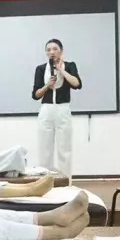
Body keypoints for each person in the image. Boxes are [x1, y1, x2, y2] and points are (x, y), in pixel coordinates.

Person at [32, 39, 82, 180]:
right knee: (44, 149)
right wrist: (47, 86)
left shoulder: (70, 66)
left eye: (55, 49)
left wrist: (61, 70)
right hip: (46, 110)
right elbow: (35, 95)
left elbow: (77, 84)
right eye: (48, 50)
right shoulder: (41, 69)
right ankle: (44, 182)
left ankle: (66, 182)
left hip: (62, 109)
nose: (52, 52)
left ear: (61, 51)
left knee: (64, 149)